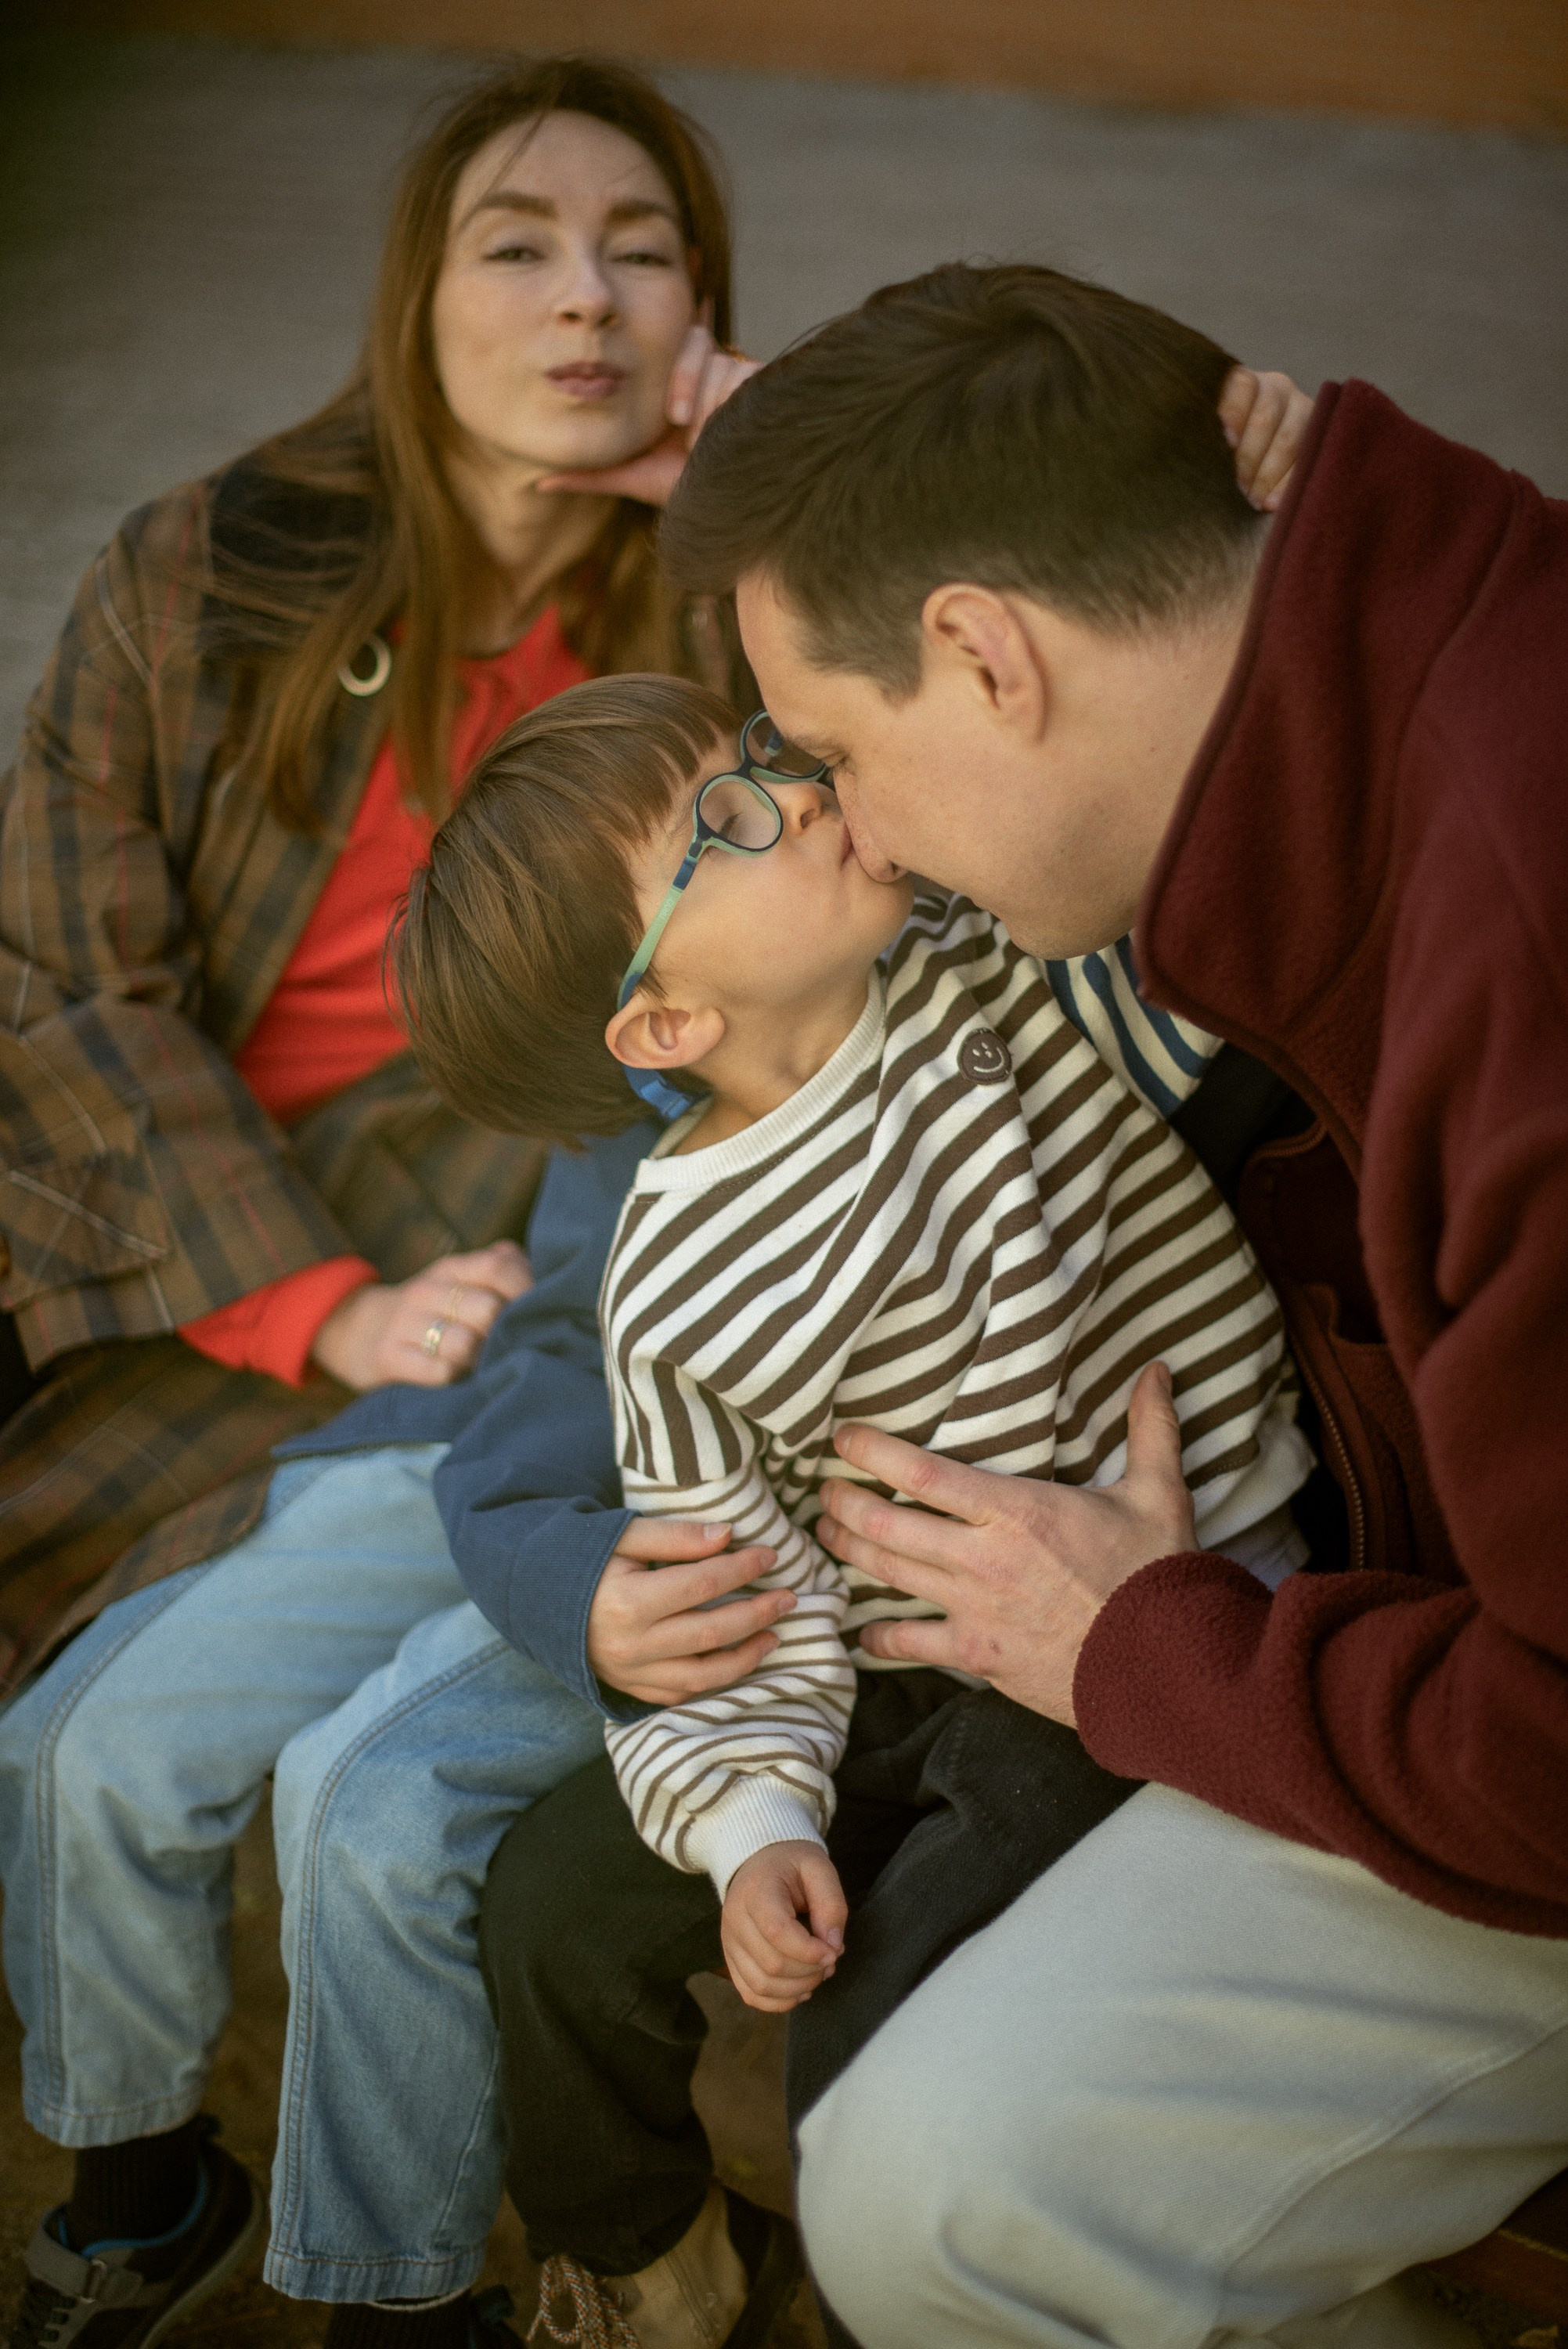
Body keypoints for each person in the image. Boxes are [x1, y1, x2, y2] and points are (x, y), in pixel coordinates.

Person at [0, 153, 1310, 2349]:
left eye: (646, 254)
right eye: (514, 244)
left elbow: (1117, 771)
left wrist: (1238, 539)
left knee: (779, 1993)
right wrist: (733, 1800)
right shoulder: (670, 1224)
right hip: (804, 1607)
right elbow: (662, 1470)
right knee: (393, 1835)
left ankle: (846, 2215)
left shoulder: (957, 914)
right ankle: (548, 2260)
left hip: (1136, 1590)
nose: (802, 791)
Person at [588, 259, 1568, 2348]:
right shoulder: (1383, 607)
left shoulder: (1522, 954)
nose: (859, 822)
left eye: (842, 746)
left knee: (943, 2197)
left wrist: (1152, 1648)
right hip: (1438, 1638)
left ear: (981, 652)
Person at [0, 53, 760, 2349]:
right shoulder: (210, 561)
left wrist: (772, 460)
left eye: (646, 251)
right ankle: (143, 2170)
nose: (585, 301)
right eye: (516, 242)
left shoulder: (723, 609)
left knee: (216, 1668)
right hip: (176, 1199)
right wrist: (306, 1293)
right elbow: (58, 976)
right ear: (410, 299)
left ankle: (282, 2226)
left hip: (490, 1238)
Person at [391, 666, 1316, 2347]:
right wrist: (756, 1830)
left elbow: (1209, 966)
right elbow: (749, 1585)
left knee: (872, 2025)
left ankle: (881, 2269)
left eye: (765, 760)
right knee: (553, 1909)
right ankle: (659, 2273)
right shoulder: (674, 1283)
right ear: (666, 1025)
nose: (798, 795)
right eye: (729, 824)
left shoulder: (990, 964)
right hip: (902, 1656)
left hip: (1150, 1608)